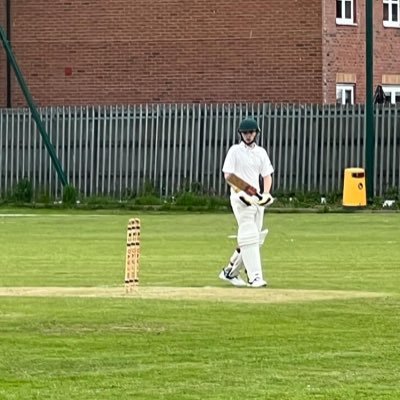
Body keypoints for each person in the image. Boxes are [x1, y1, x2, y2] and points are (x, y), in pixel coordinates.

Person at [219, 117, 274, 288]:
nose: (248, 136)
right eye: (245, 133)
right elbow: (228, 175)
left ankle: (229, 271)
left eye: (251, 132)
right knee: (249, 234)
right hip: (239, 197)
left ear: (256, 133)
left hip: (256, 198)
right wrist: (243, 191)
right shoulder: (235, 151)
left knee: (254, 239)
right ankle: (255, 277)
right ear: (241, 134)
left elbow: (267, 175)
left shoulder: (261, 152)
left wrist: (265, 194)